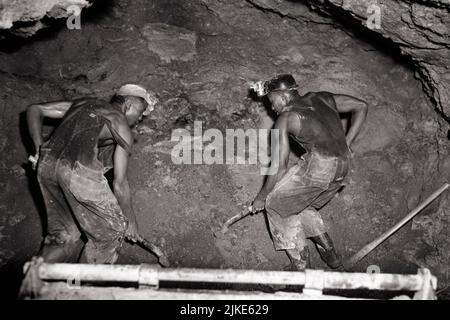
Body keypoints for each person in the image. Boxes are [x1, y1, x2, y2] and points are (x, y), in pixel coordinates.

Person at [26, 84, 158, 264]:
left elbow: (35, 109)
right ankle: (81, 289)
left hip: (46, 166)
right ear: (128, 104)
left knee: (64, 235)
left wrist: (39, 148)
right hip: (79, 172)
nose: (140, 118)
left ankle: (35, 277)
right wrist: (130, 220)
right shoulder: (119, 123)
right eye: (140, 112)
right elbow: (120, 184)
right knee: (110, 234)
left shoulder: (81, 103)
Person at [251, 74, 368, 270]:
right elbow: (361, 106)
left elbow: (279, 166)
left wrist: (262, 198)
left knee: (276, 205)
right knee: (301, 203)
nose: (272, 107)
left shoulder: (287, 117)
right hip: (344, 166)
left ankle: (300, 266)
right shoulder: (322, 97)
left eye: (272, 100)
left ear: (283, 95)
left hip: (320, 167)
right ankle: (330, 253)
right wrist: (346, 143)